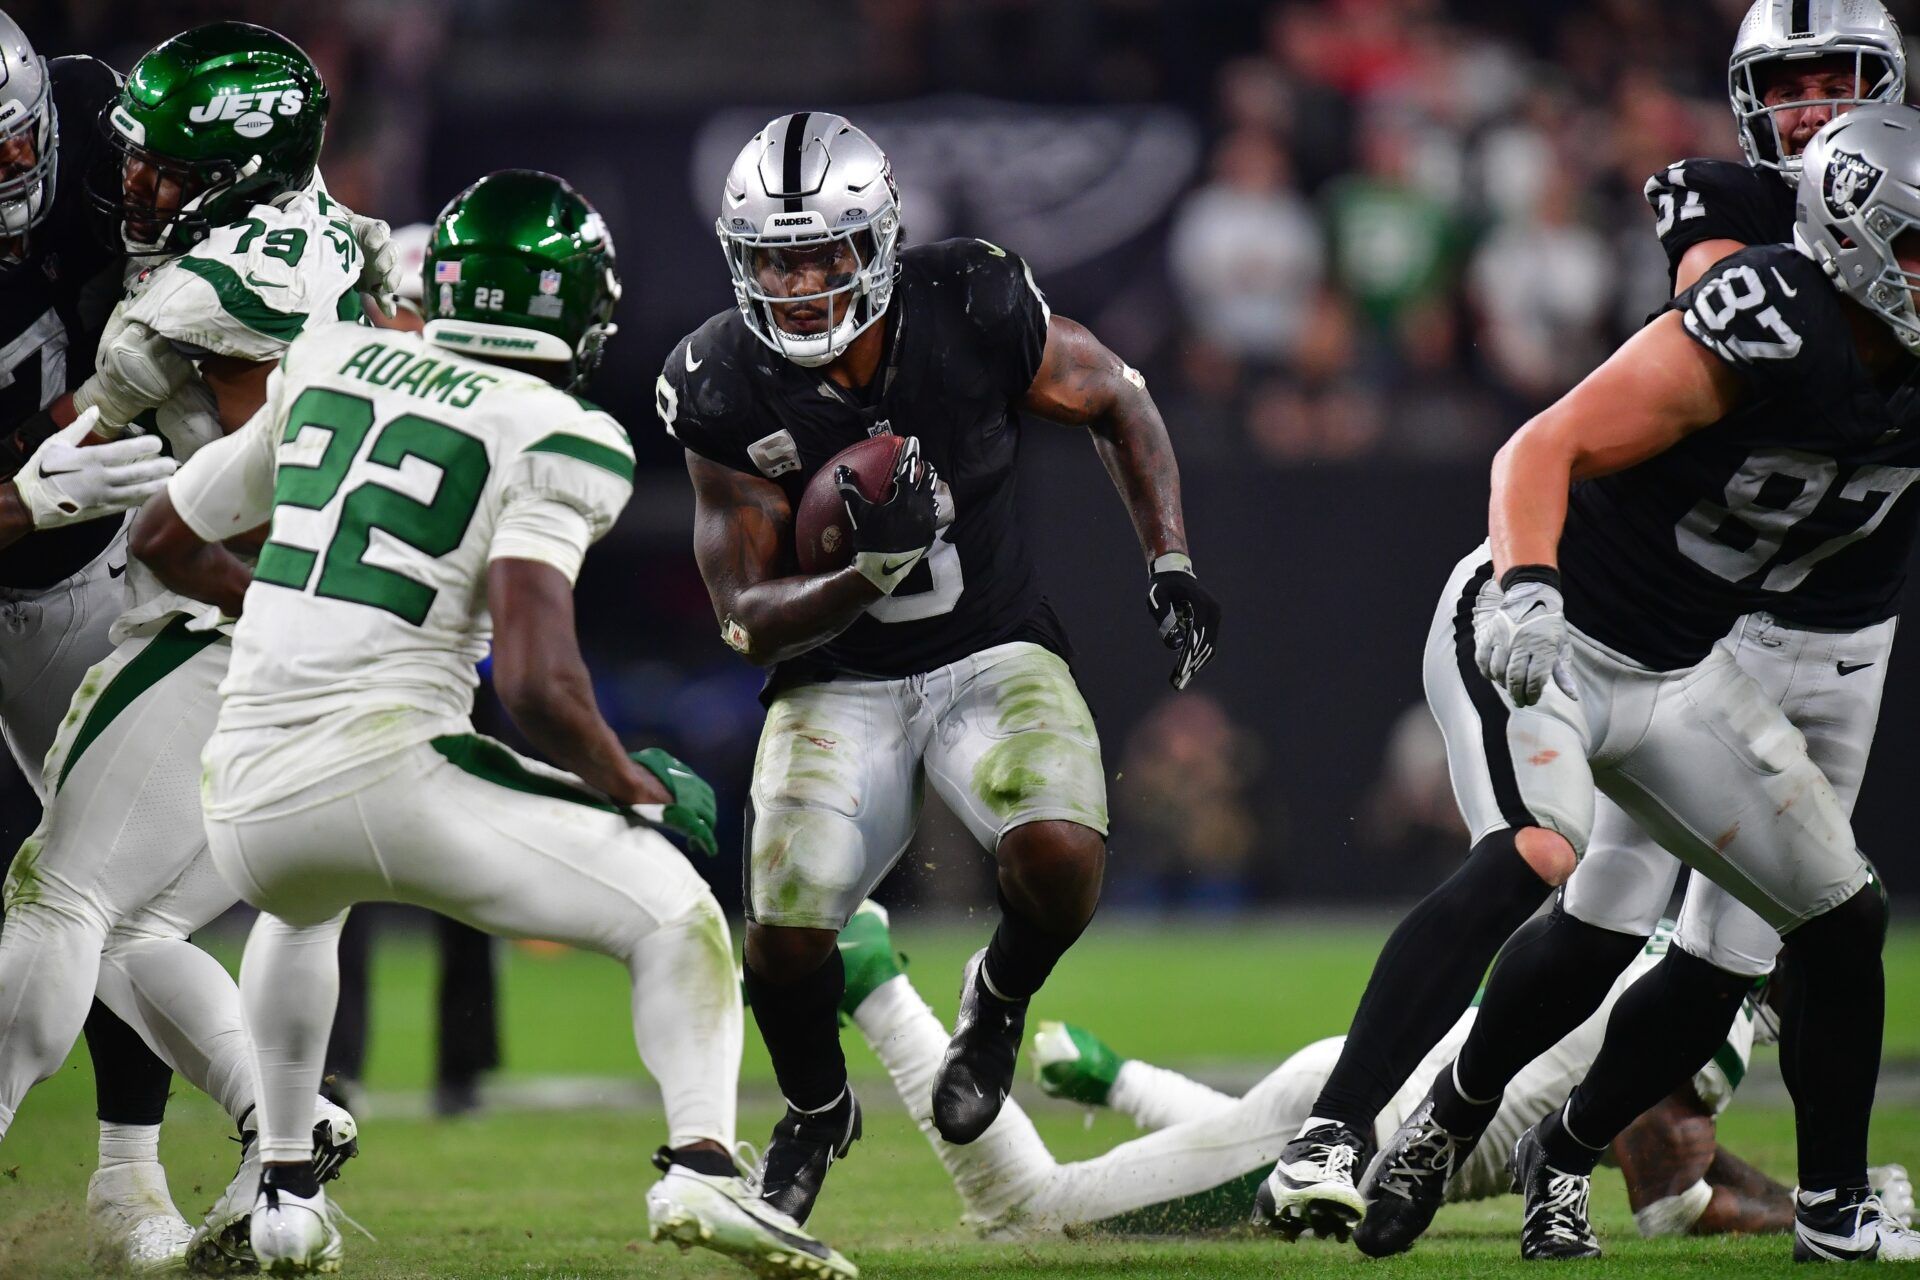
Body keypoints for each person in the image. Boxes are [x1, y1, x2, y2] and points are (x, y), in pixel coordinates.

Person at [130, 168, 855, 1280]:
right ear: (572, 307)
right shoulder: (558, 429)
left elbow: (162, 538)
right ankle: (705, 1163)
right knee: (675, 909)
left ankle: (284, 1189)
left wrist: (282, 606)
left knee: (303, 906)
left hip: (244, 793)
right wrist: (633, 785)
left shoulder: (326, 360)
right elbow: (535, 677)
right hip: (390, 767)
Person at [1260, 103, 1920, 1264]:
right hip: (1549, 627)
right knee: (1542, 851)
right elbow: (1541, 445)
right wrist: (1525, 581)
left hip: (1682, 669)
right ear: (1858, 240)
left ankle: (1833, 1208)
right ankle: (1329, 1133)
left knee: (1838, 912)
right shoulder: (1767, 316)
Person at [658, 112, 1220, 1224]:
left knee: (1062, 854)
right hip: (836, 677)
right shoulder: (720, 377)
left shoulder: (973, 300)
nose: (804, 282)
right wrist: (862, 577)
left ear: (880, 238)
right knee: (782, 930)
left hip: (988, 646)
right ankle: (816, 1109)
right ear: (739, 261)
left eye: (824, 252)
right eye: (777, 258)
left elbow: (1117, 394)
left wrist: (1169, 555)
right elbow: (744, 617)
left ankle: (997, 1001)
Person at [0, 20, 396, 1271]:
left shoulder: (202, 292)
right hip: (318, 625)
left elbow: (139, 450)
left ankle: (211, 1150)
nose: (138, 188)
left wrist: (63, 483)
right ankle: (292, 1130)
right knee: (132, 929)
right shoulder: (329, 233)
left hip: (237, 621)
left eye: (168, 168)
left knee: (58, 892)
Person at [834, 902, 1913, 1239]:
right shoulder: (1704, 1012)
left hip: (1345, 1100)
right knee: (1029, 1213)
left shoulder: (1647, 945)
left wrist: (1816, 1193)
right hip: (1355, 1127)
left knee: (1238, 1155)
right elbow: (1671, 1189)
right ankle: (875, 980)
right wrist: (1812, 1211)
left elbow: (1672, 1135)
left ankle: (1116, 1081)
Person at [0, 13, 184, 1268]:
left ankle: (131, 1177)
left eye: (11, 145)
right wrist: (28, 490)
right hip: (41, 516)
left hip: (80, 573)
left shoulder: (95, 117)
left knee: (127, 884)